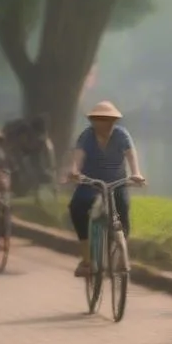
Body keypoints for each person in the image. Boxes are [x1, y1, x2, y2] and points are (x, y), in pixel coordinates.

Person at [67, 101, 146, 278]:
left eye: (108, 120)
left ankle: (120, 252)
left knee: (123, 210)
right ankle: (87, 258)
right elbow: (78, 156)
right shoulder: (86, 136)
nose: (104, 123)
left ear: (114, 121)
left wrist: (136, 173)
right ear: (93, 121)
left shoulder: (121, 135)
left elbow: (131, 155)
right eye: (99, 119)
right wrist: (73, 171)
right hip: (91, 182)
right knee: (77, 208)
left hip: (116, 182)